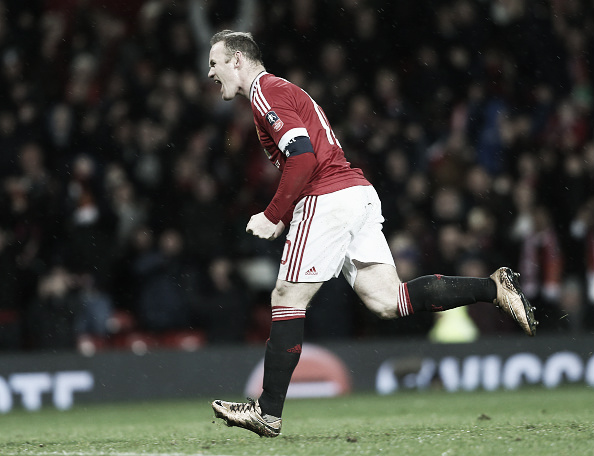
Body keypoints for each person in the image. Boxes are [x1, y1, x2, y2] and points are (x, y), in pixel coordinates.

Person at [207, 30, 537, 438]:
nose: (210, 72)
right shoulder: (279, 91)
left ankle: (268, 412)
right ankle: (494, 289)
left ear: (237, 60)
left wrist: (274, 214)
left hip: (328, 198)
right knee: (388, 300)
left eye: (215, 62)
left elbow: (303, 157)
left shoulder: (265, 92)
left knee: (286, 298)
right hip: (357, 194)